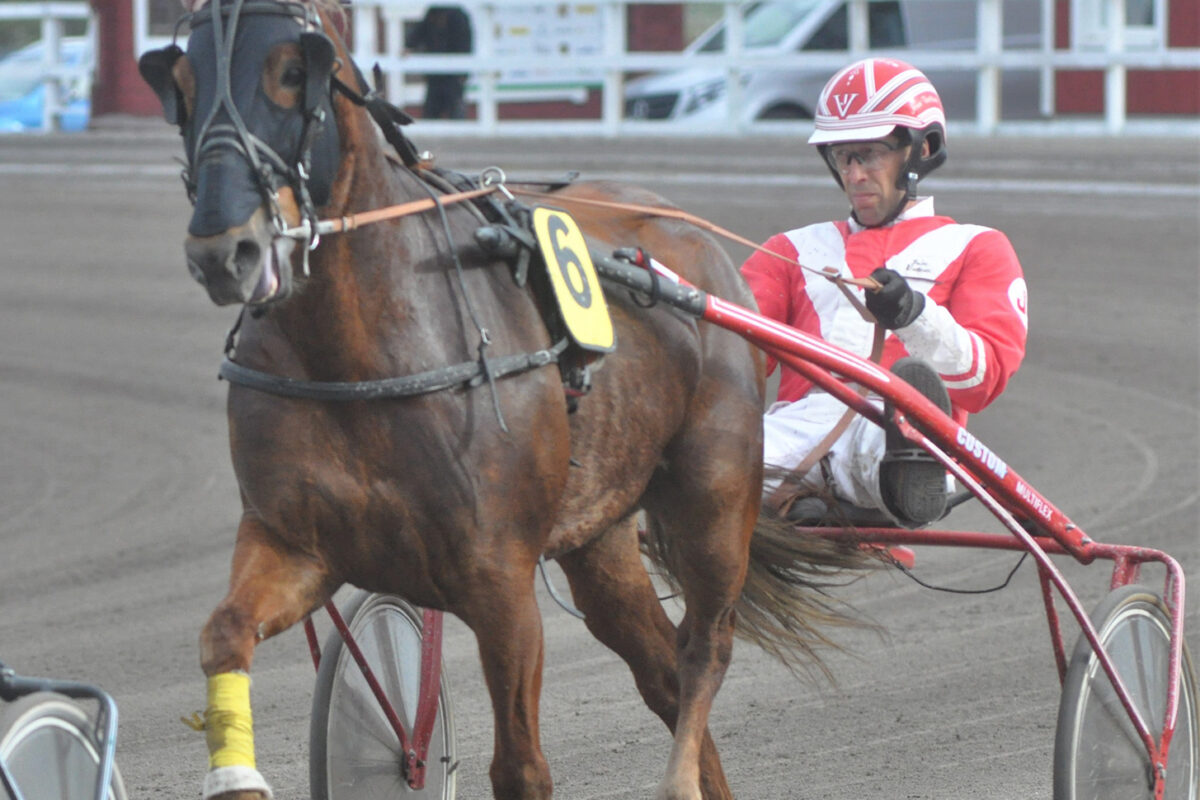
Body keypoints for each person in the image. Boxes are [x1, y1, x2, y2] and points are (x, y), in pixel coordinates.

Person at [740, 57, 1028, 527]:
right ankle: (813, 495)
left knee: (887, 435)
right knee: (705, 458)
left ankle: (909, 463)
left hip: (892, 429)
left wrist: (914, 315)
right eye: (843, 157)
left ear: (921, 150)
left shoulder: (977, 246)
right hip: (793, 429)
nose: (854, 175)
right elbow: (732, 354)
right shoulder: (789, 249)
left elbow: (983, 382)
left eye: (869, 154)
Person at [405, 6, 472, 120]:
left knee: (455, 110)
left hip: (453, 74)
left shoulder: (459, 16)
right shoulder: (433, 12)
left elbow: (465, 44)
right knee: (431, 110)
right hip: (435, 75)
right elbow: (420, 31)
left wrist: (464, 72)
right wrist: (409, 46)